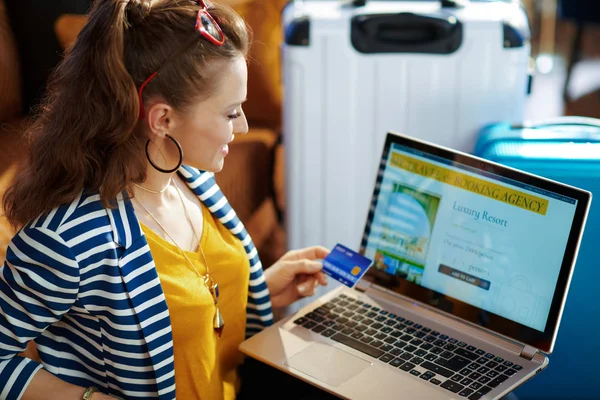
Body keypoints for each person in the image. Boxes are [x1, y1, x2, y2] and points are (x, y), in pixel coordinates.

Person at [0, 0, 333, 399]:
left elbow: (184, 307)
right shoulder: (68, 240)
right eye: (230, 113)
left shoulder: (194, 183)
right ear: (162, 120)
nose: (243, 126)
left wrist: (259, 287)